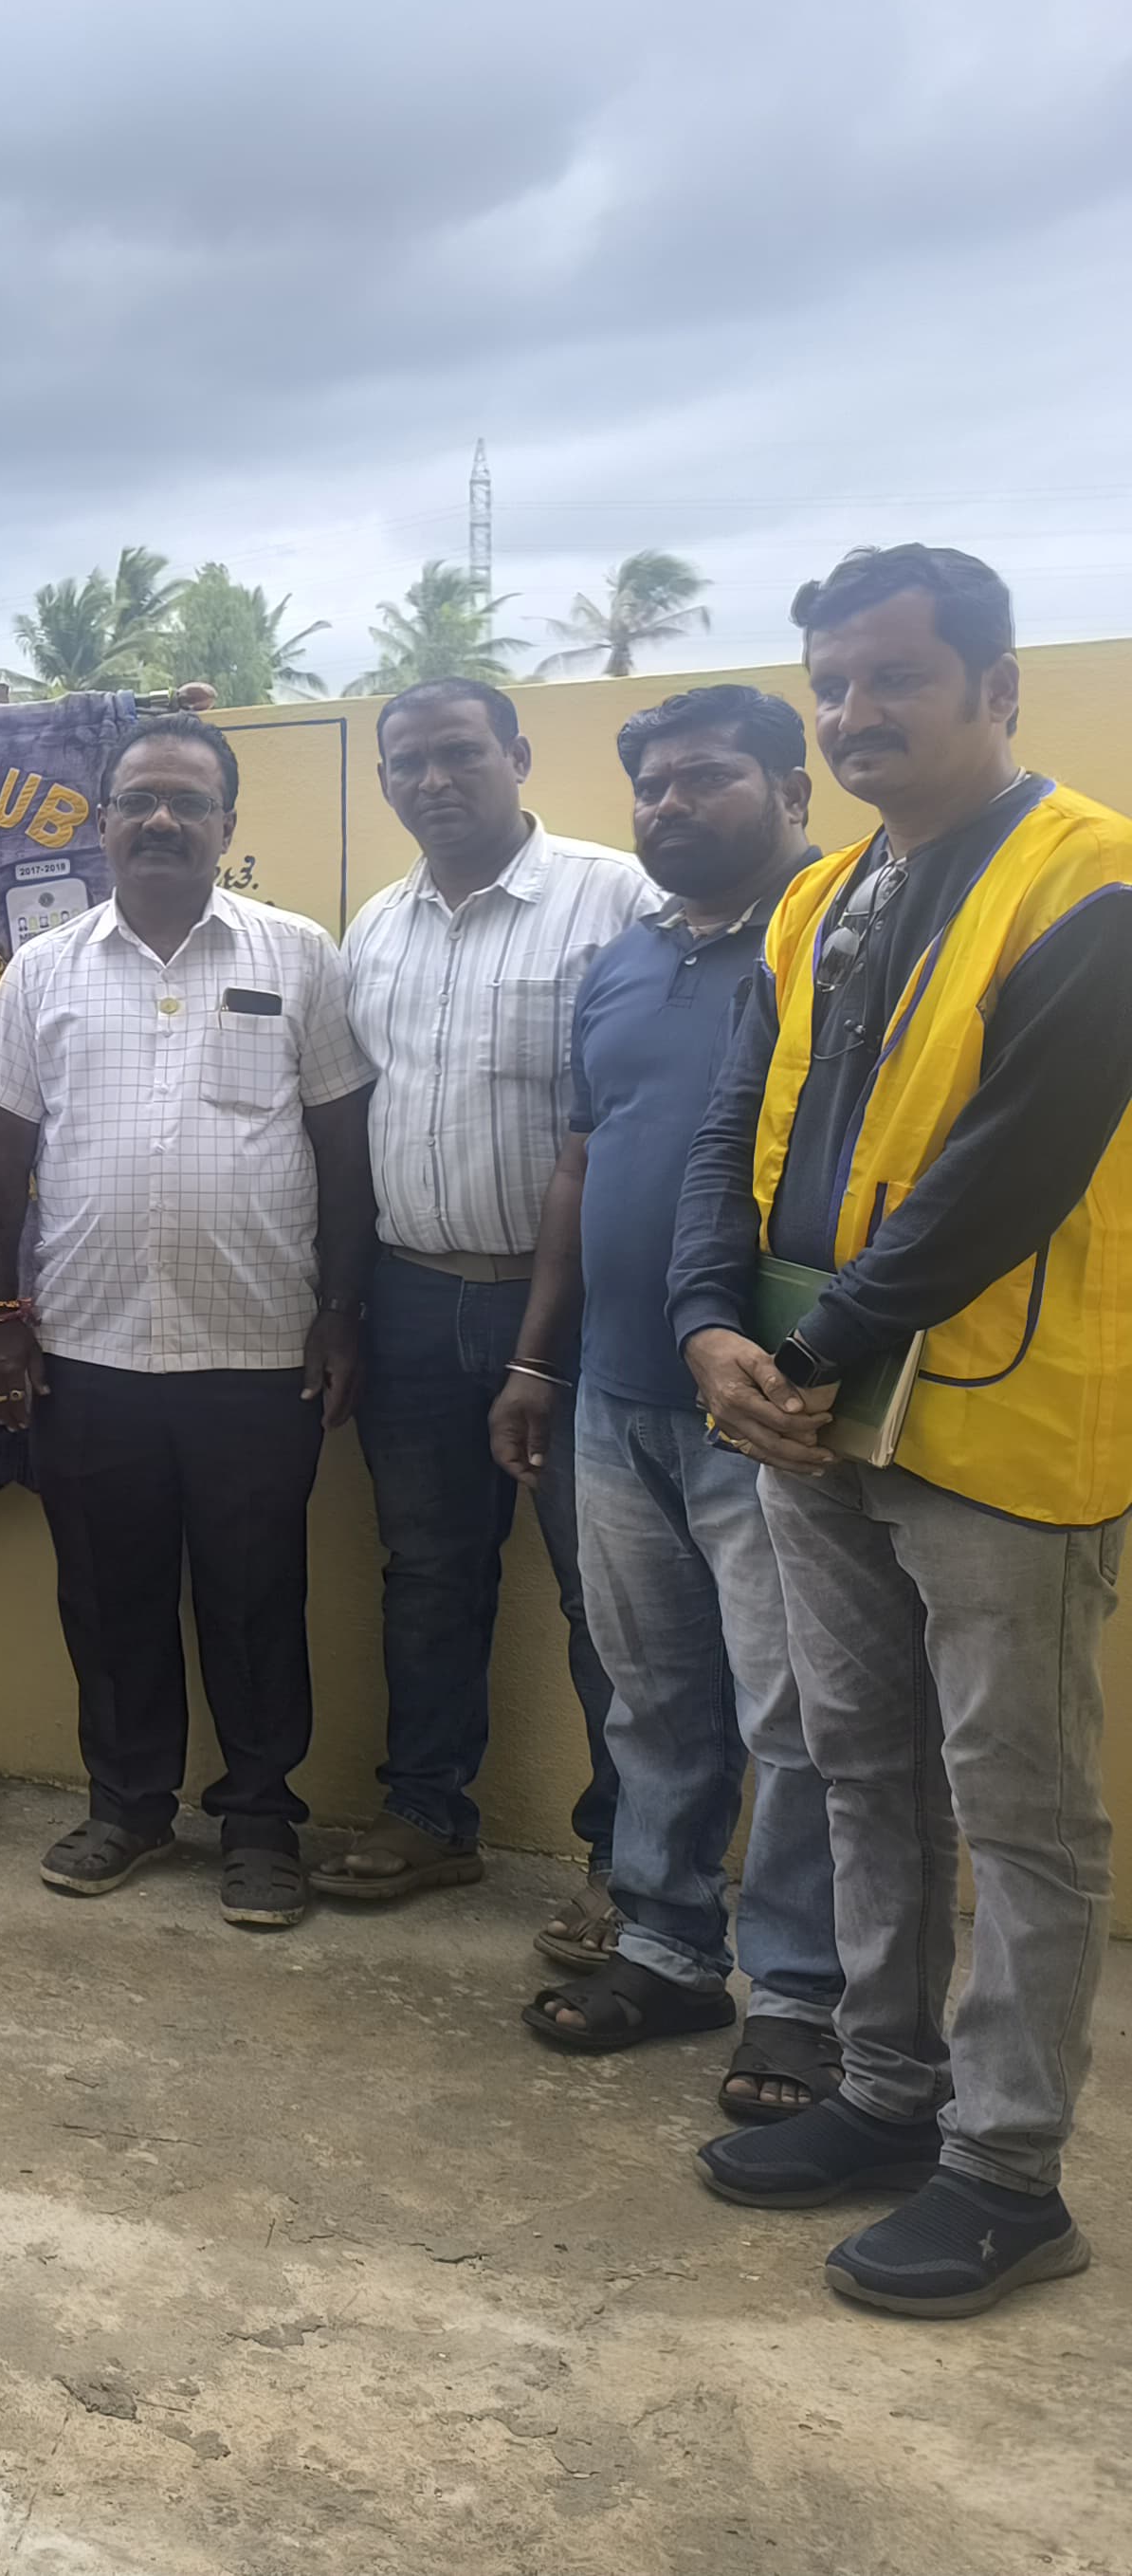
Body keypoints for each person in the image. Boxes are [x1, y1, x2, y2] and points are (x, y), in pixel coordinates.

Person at [673, 545, 1129, 2317]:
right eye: (832, 689)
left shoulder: (1088, 878)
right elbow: (739, 1131)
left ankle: (1010, 2177)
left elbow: (1016, 1161)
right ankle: (885, 2091)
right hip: (809, 1415)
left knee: (1019, 1809)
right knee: (860, 1763)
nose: (855, 716)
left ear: (996, 691)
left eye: (894, 682)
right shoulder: (818, 899)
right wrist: (712, 1319)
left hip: (999, 1419)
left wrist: (819, 1346)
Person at [0, 718, 378, 1927]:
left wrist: (341, 1314)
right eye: (138, 800)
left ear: (226, 828)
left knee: (256, 1596)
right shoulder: (44, 967)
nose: (160, 821)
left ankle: (258, 1821)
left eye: (187, 804)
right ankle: (130, 1805)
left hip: (257, 1353)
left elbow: (345, 1152)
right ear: (102, 822)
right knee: (107, 1592)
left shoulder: (299, 955)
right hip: (90, 1352)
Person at [496, 688, 844, 2119]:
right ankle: (664, 1947)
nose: (671, 808)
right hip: (617, 1399)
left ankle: (810, 1999)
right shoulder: (624, 965)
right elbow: (585, 1160)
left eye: (707, 780)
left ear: (790, 787)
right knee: (653, 1699)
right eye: (651, 788)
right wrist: (538, 1355)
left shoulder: (847, 947)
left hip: (774, 1407)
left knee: (801, 1720)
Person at [317, 678, 652, 1939]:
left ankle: (633, 1863)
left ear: (516, 755)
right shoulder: (377, 927)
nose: (433, 781)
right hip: (410, 1297)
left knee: (606, 1590)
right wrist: (344, 1302)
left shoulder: (614, 896)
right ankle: (429, 1819)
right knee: (429, 1575)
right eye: (408, 763)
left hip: (573, 1309)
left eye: (460, 755)